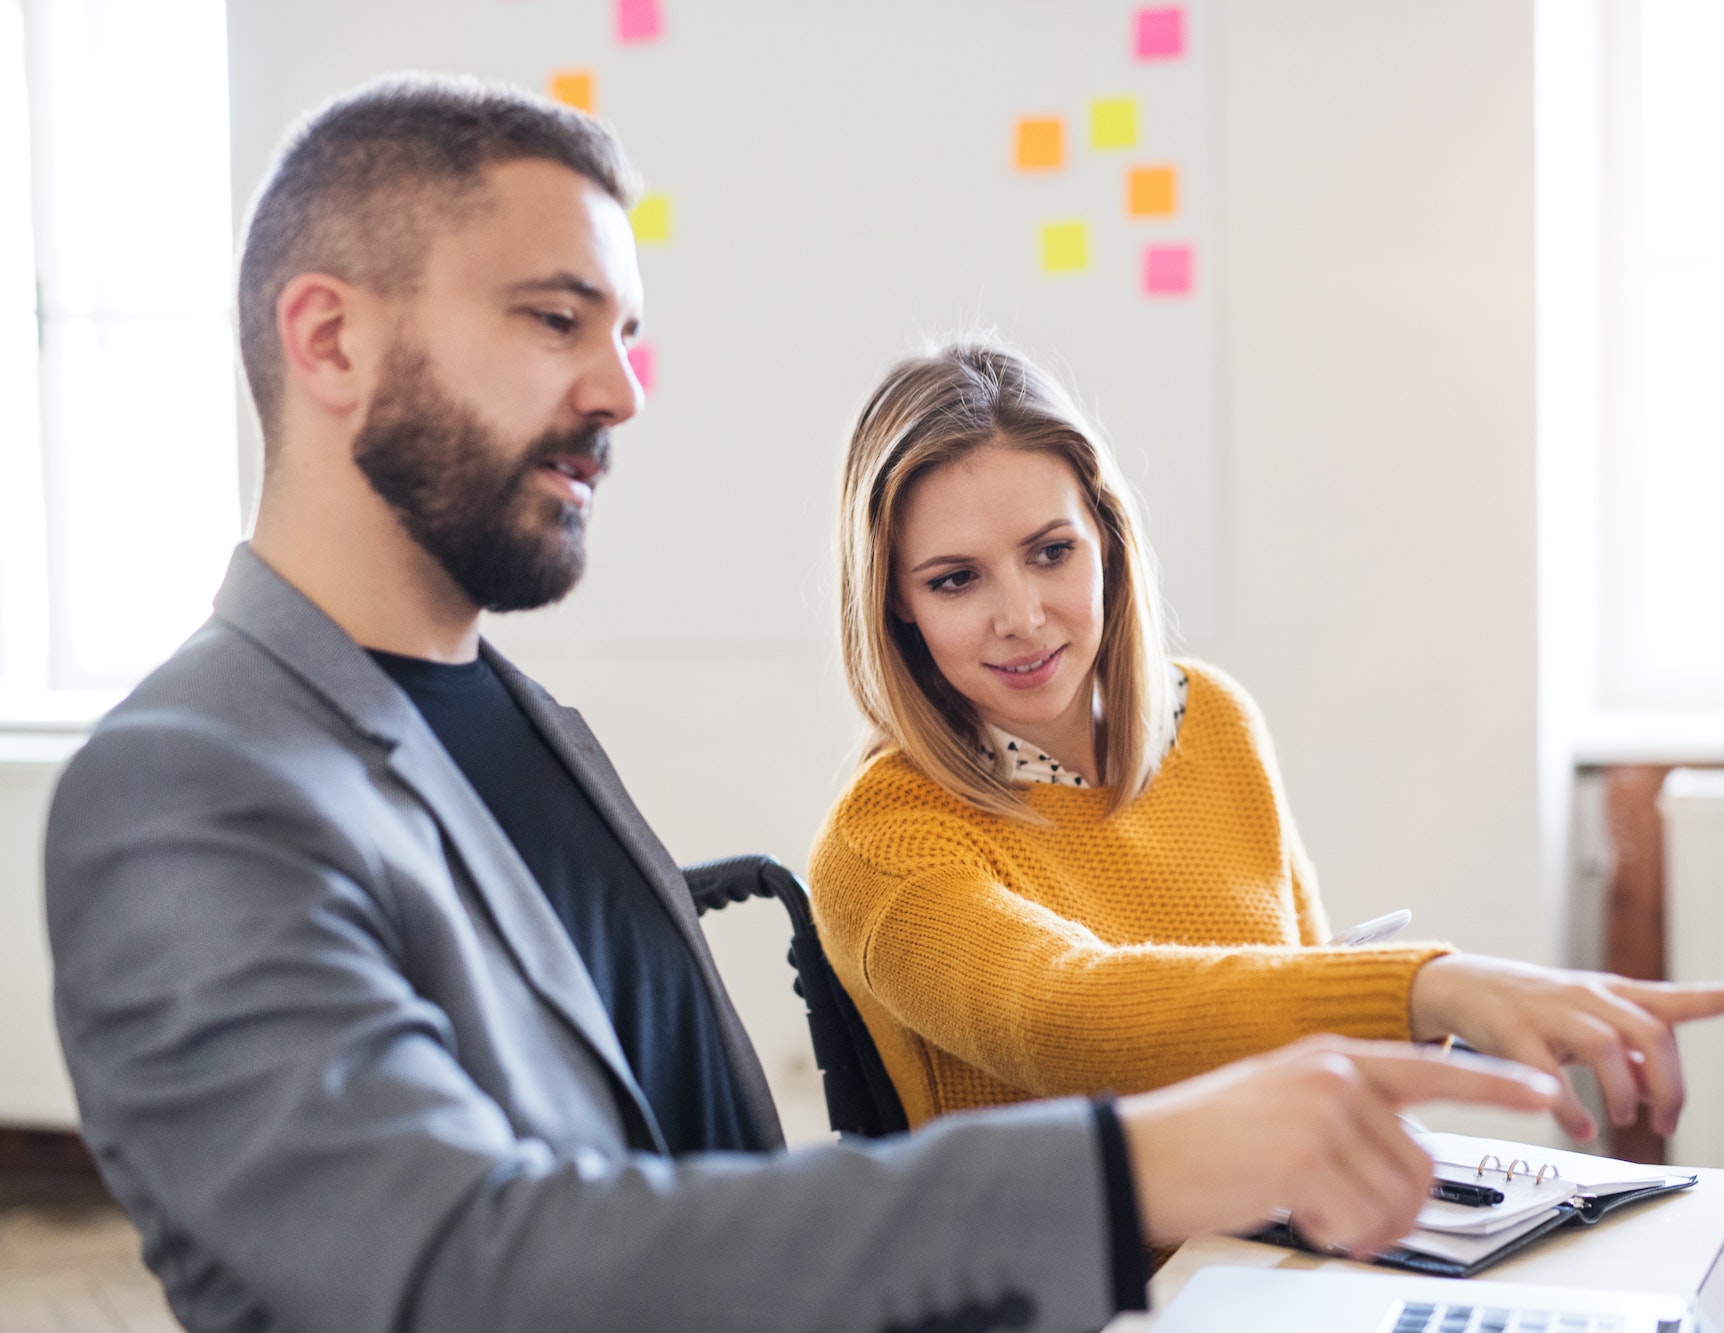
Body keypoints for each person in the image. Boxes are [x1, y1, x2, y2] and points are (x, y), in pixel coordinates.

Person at [42, 76, 1561, 1333]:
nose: (623, 389)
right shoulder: (191, 782)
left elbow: (709, 1186)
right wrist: (1134, 1162)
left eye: (621, 330)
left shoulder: (522, 728)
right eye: (555, 319)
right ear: (330, 342)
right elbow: (455, 1263)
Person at [811, 341, 1724, 1144]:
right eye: (955, 580)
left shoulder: (1213, 722)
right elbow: (1066, 1014)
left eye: (1051, 552)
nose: (1021, 616)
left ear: (1107, 539)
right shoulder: (883, 840)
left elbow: (1305, 1002)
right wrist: (1428, 987)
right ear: (895, 598)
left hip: (1284, 1254)